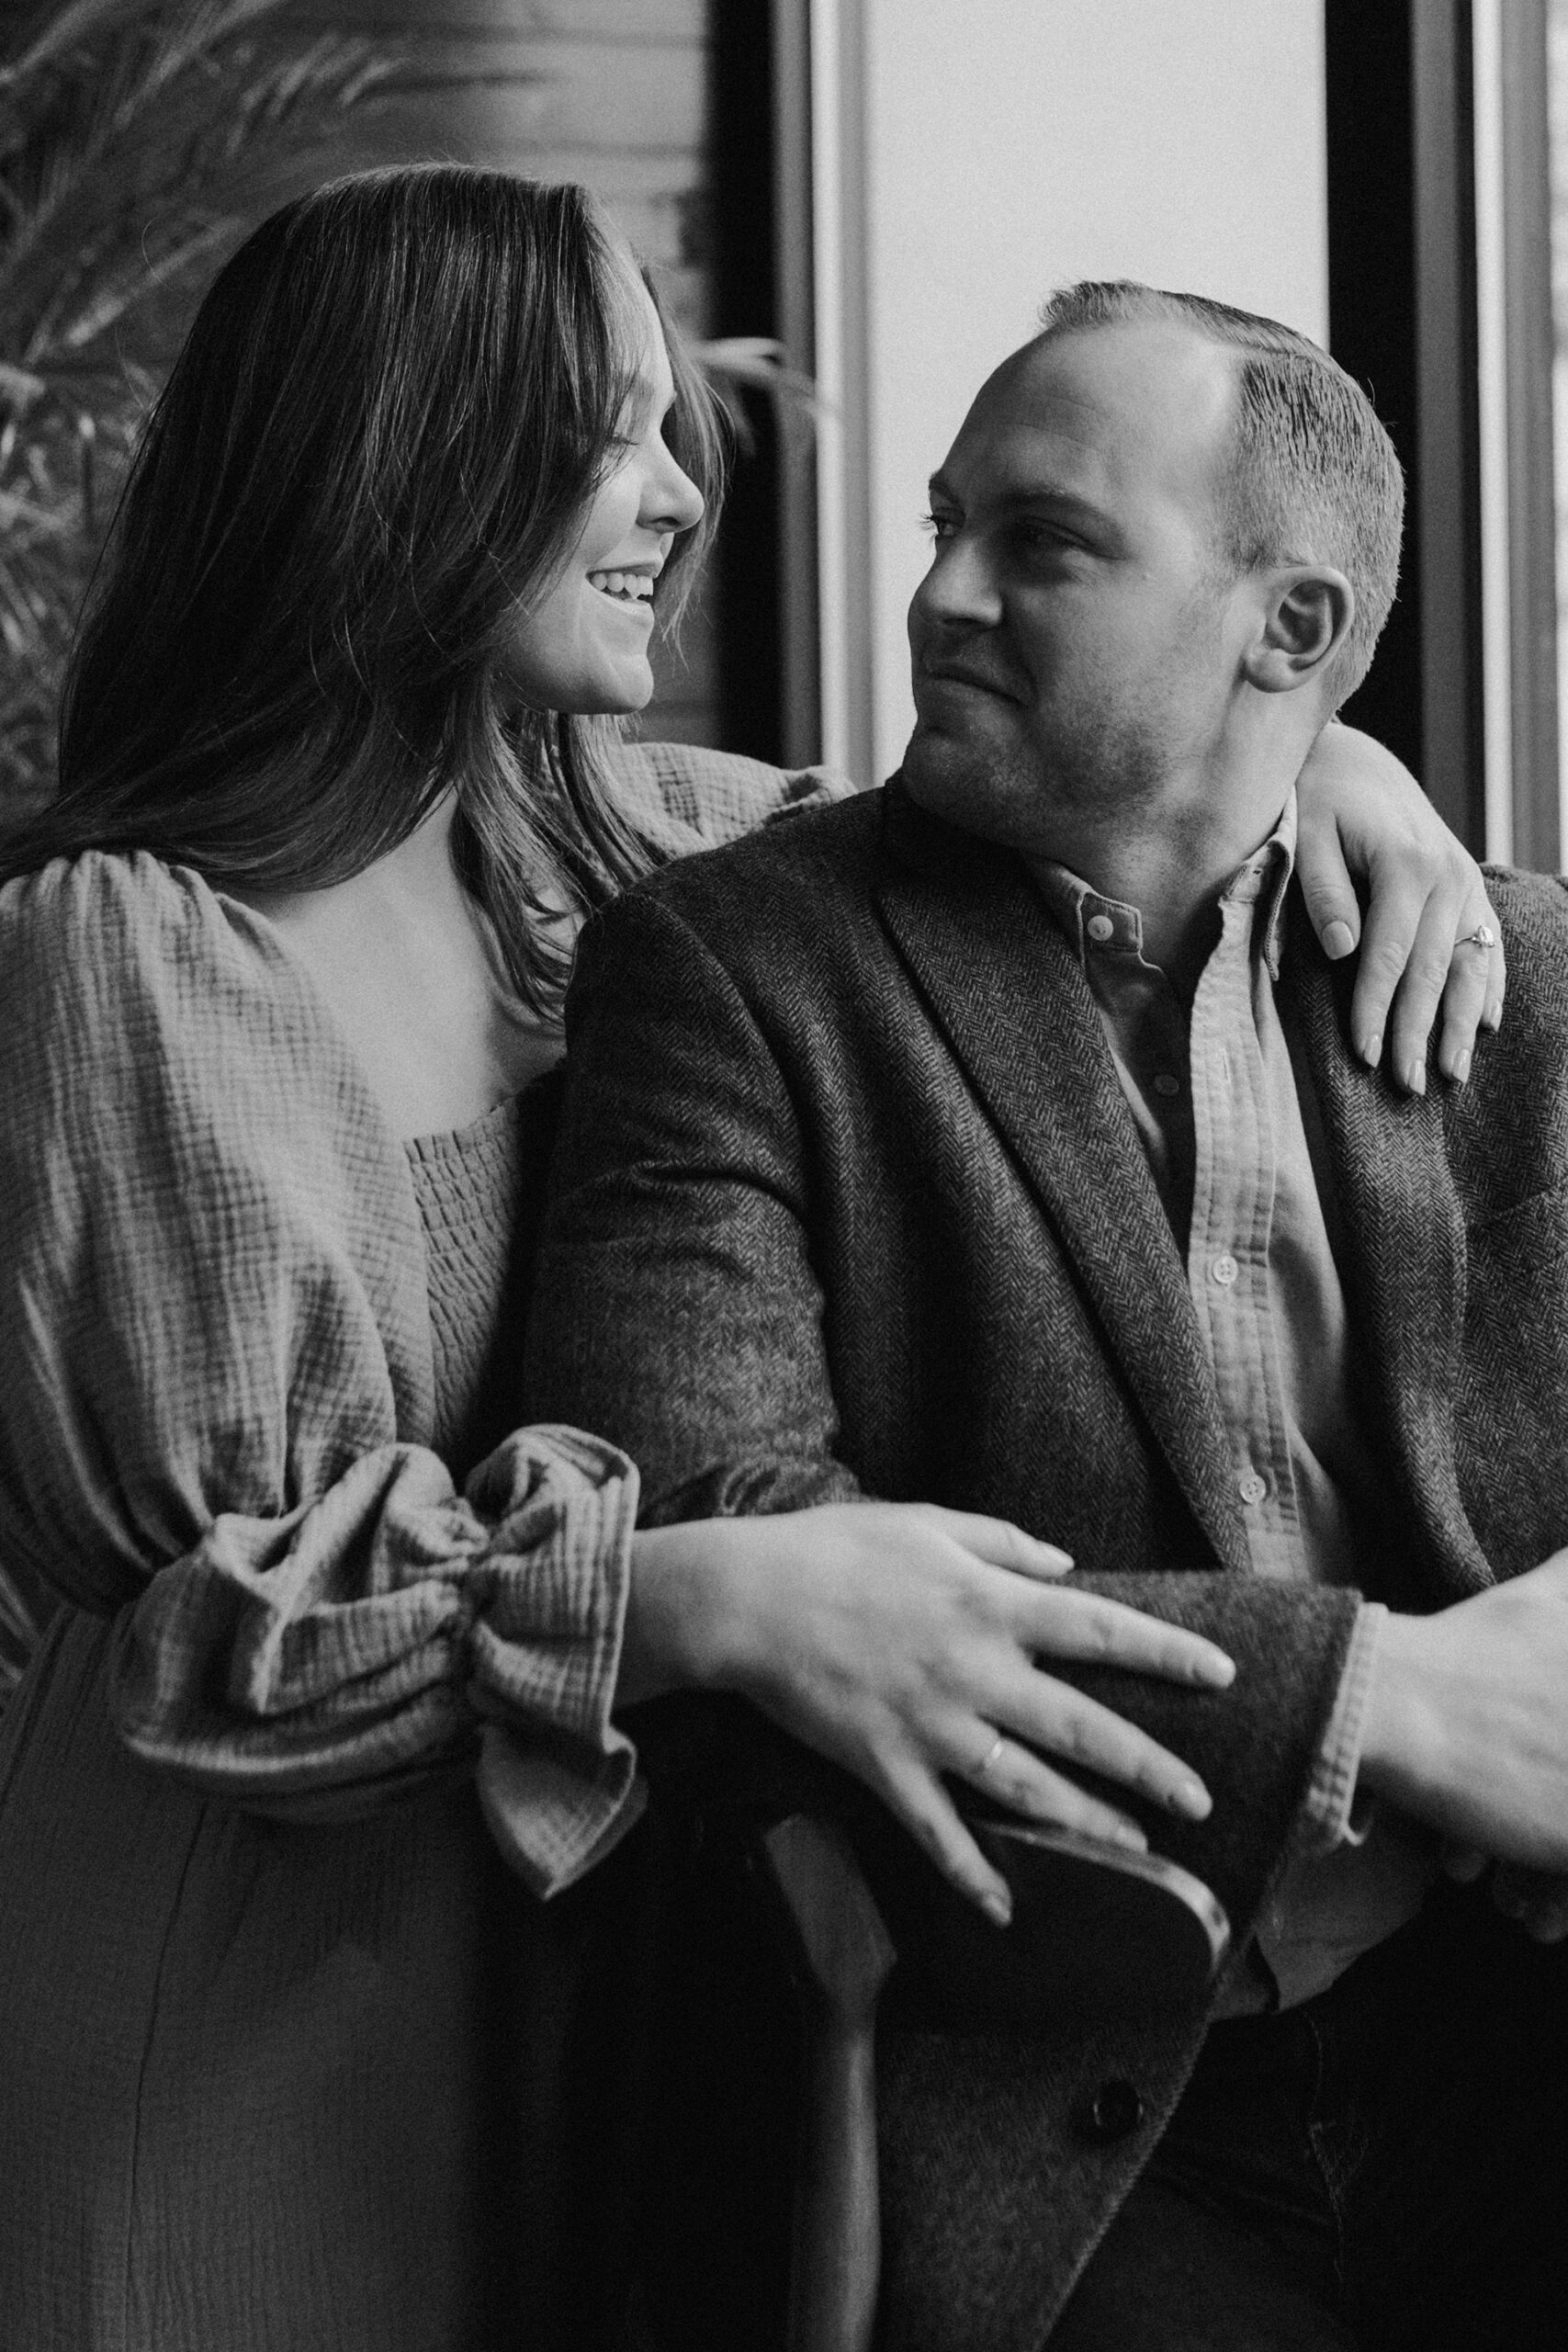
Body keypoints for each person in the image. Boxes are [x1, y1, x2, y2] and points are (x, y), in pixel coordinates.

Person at [0, 174, 1417, 2352]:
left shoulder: (616, 840)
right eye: (615, 434)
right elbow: (229, 1645)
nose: (676, 495)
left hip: (569, 1973)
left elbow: (1101, 780)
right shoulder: (125, 950)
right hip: (247, 1998)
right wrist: (705, 1588)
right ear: (415, 450)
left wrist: (1338, 769)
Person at [524, 280, 1568, 2352]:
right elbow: (739, 1524)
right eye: (943, 521)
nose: (938, 593)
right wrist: (1393, 1709)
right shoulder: (731, 972)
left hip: (1502, 2039)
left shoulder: (1516, 977)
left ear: (1289, 634)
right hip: (1050, 2089)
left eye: (1046, 541)